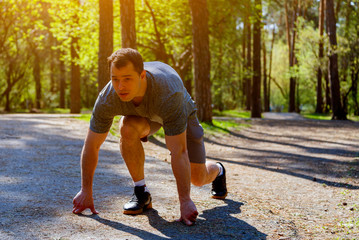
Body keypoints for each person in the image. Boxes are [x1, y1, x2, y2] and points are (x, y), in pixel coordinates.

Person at [72, 48, 227, 226]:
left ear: (142, 75)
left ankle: (218, 170)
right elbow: (92, 145)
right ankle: (141, 192)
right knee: (127, 127)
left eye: (127, 79)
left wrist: (185, 201)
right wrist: (85, 191)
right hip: (145, 118)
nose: (120, 87)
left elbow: (178, 151)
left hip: (176, 110)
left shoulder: (170, 93)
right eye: (115, 79)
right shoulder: (108, 98)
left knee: (198, 178)